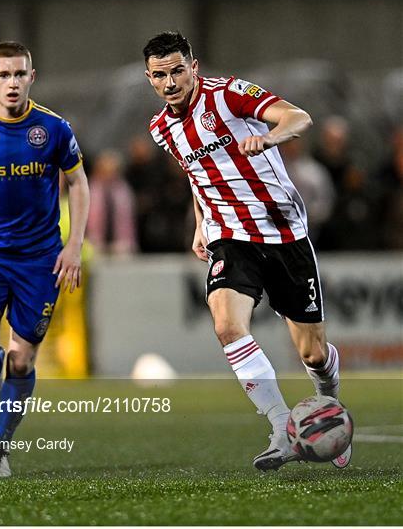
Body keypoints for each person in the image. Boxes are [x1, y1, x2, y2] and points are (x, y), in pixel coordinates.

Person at [143, 31, 351, 471]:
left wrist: (273, 137)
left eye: (178, 70)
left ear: (193, 67)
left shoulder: (229, 95)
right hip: (230, 235)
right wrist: (201, 222)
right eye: (160, 75)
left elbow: (299, 117)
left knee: (313, 353)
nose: (171, 82)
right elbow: (197, 174)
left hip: (284, 233)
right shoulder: (160, 129)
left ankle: (328, 406)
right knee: (225, 323)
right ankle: (280, 426)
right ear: (150, 79)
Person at [0, 41, 90, 477]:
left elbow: (79, 185)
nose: (12, 83)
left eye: (19, 74)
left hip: (41, 262)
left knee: (23, 361)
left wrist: (73, 245)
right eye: (3, 75)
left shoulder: (54, 128)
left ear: (32, 77)